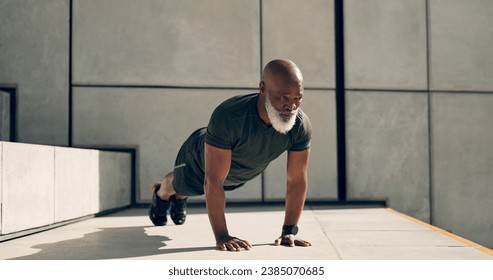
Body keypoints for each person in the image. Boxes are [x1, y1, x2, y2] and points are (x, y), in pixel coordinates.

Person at [149, 59, 312, 251]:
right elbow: (213, 180)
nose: (291, 106)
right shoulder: (229, 115)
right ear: (263, 89)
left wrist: (289, 230)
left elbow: (296, 180)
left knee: (193, 189)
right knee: (180, 186)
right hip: (198, 160)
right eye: (284, 97)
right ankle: (160, 193)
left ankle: (181, 197)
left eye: (297, 98)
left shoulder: (300, 125)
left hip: (235, 175)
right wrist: (222, 236)